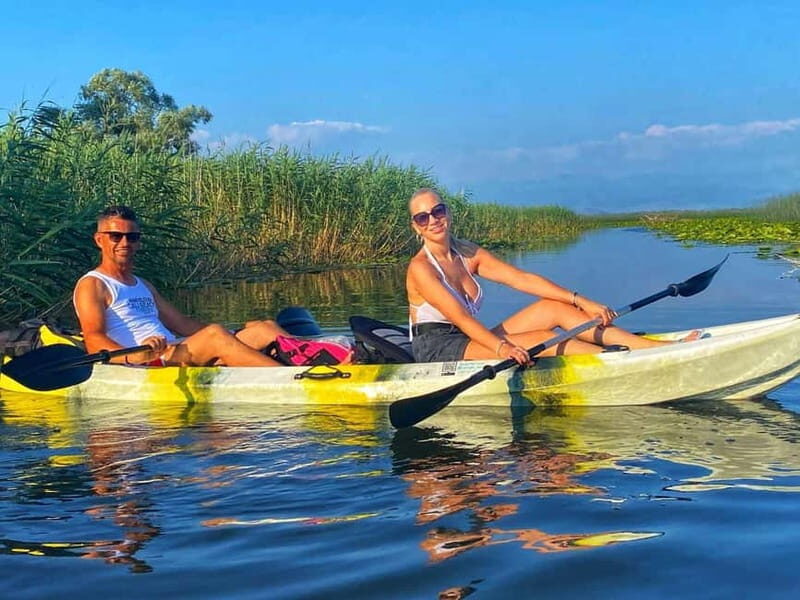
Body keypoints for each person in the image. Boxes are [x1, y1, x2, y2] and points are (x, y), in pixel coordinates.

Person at [406, 188, 696, 364]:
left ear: (448, 212)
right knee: (544, 338)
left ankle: (654, 349)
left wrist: (581, 300)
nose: (433, 220)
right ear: (416, 226)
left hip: (468, 337)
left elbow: (521, 279)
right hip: (438, 348)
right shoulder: (421, 268)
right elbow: (462, 319)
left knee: (554, 308)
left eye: (438, 211)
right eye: (423, 217)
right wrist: (504, 348)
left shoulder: (468, 252)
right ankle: (613, 360)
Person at [73, 205, 288, 367]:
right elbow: (93, 340)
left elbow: (182, 324)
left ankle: (305, 362)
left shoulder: (143, 284)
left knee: (264, 328)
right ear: (99, 240)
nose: (125, 243)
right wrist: (134, 355)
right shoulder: (93, 284)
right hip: (148, 361)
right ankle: (292, 381)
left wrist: (234, 332)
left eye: (132, 237)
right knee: (214, 334)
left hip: (174, 349)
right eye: (115, 236)